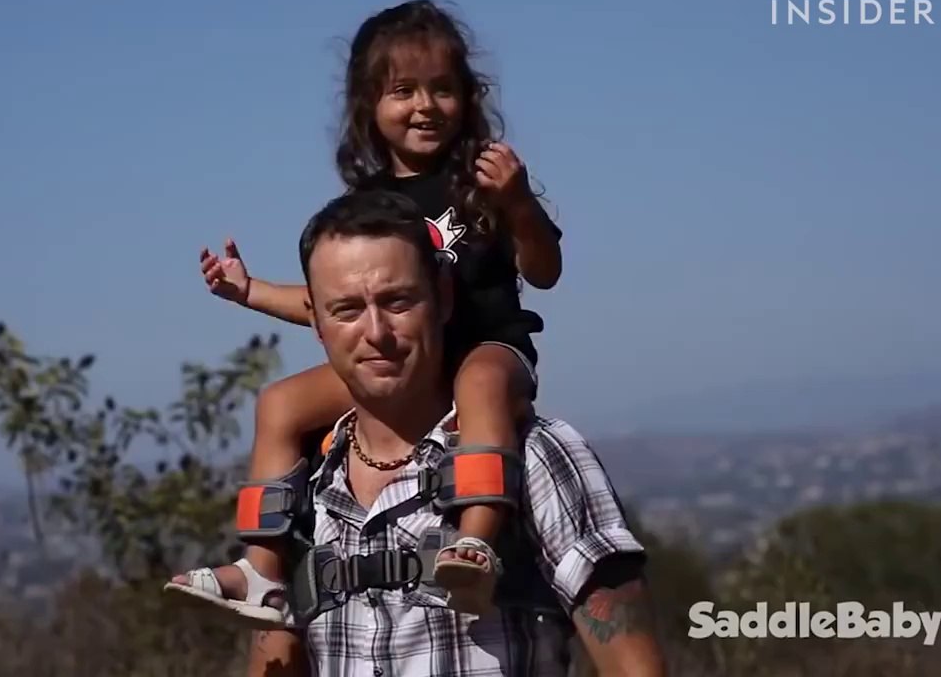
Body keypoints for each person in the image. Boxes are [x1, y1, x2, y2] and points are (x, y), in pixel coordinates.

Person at [166, 0, 564, 626]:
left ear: (467, 96)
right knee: (279, 404)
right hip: (402, 364)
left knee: (482, 383)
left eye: (442, 88)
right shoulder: (368, 206)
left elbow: (544, 271)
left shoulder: (485, 180)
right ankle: (262, 571)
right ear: (369, 106)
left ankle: (476, 541)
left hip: (486, 347)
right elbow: (341, 311)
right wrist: (250, 291)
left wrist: (517, 203)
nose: (425, 106)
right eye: (403, 91)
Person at [244, 189, 664, 676]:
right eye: (348, 310)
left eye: (398, 301)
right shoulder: (305, 487)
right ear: (316, 320)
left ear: (443, 298)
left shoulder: (536, 456)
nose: (376, 332)